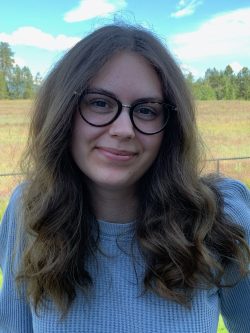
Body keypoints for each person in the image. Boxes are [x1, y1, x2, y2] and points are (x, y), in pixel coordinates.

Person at [0, 23, 249, 333]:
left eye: (146, 110)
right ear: (63, 112)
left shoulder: (219, 217)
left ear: (169, 126)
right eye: (100, 103)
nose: (124, 129)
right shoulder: (31, 212)